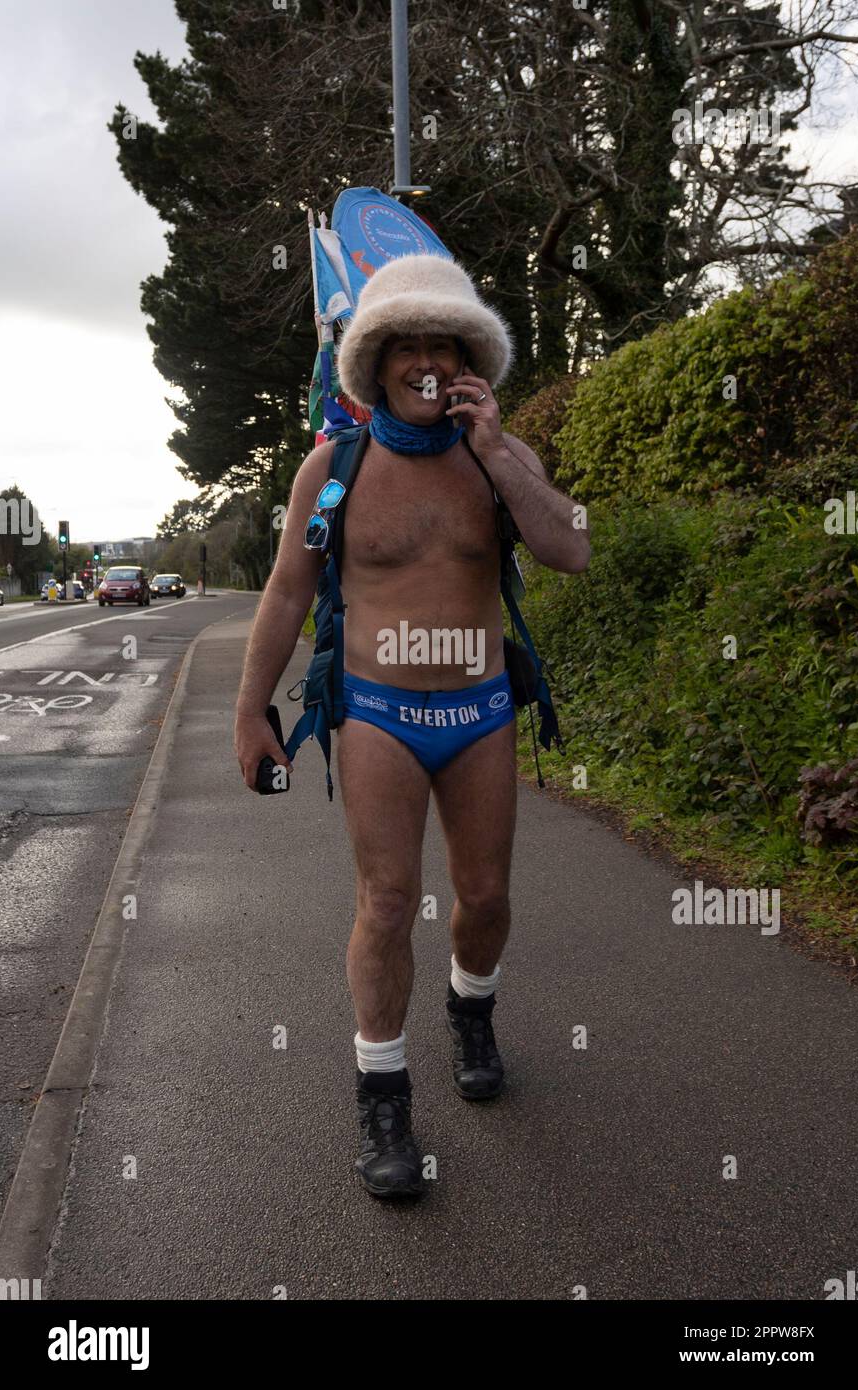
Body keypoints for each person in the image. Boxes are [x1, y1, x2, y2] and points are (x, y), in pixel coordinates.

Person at [234, 253, 590, 1199]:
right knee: (386, 904)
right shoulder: (332, 470)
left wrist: (503, 454)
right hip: (379, 714)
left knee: (484, 897)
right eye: (409, 347)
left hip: (480, 712)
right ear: (378, 361)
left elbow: (572, 548)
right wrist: (249, 711)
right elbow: (285, 592)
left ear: (469, 357)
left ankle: (471, 1009)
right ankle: (382, 1093)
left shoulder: (502, 461)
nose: (427, 363)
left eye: (446, 344)